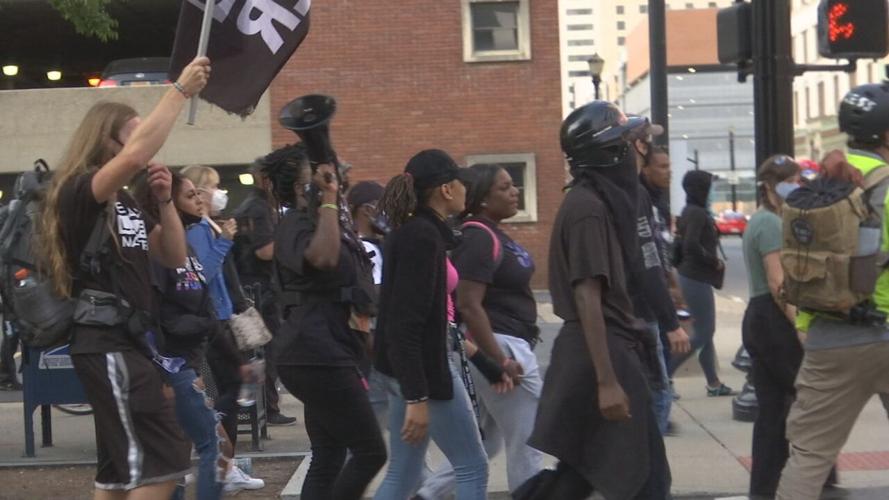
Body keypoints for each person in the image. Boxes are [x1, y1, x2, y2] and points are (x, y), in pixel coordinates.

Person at [39, 57, 208, 498]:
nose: (147, 140)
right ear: (106, 141)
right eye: (135, 131)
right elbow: (137, 154)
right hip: (106, 342)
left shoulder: (126, 204)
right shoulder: (81, 191)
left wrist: (166, 200)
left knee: (120, 471)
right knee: (164, 458)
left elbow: (172, 257)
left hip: (130, 343)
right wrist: (180, 91)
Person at [518, 102, 669, 500]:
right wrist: (607, 382)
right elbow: (588, 296)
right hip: (599, 355)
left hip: (605, 350)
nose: (637, 150)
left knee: (588, 472)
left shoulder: (598, 202)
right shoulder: (587, 209)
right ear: (611, 153)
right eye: (628, 142)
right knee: (642, 479)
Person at [776, 83, 889, 499]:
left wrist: (806, 322)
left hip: (830, 334)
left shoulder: (819, 184)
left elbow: (802, 257)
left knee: (809, 455)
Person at [263, 144, 387, 499]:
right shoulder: (295, 223)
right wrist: (330, 201)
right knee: (370, 452)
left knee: (329, 454)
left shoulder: (325, 221)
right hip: (314, 353)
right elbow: (323, 258)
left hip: (328, 349)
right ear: (305, 188)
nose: (336, 173)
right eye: (322, 174)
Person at [416, 163, 544, 498]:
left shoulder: (490, 232)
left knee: (485, 442)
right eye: (504, 187)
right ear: (484, 199)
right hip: (501, 345)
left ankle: (426, 495)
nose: (514, 191)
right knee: (527, 440)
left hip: (502, 345)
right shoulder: (479, 236)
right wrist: (498, 358)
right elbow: (470, 304)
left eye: (513, 185)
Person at [373, 150, 489, 500]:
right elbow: (405, 322)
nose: (466, 188)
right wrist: (417, 396)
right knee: (472, 466)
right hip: (424, 372)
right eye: (460, 181)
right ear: (445, 190)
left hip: (405, 371)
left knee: (404, 472)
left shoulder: (413, 231)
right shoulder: (422, 237)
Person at [133, 173, 230, 500]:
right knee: (213, 445)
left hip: (191, 359)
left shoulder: (185, 245)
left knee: (179, 449)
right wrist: (165, 374)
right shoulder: (158, 249)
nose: (201, 200)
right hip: (172, 365)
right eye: (190, 195)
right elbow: (154, 316)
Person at [179, 165, 265, 493]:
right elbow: (201, 273)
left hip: (220, 315)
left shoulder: (205, 225)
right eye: (213, 187)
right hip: (213, 319)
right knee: (231, 388)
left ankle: (219, 460)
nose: (220, 193)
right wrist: (225, 241)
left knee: (230, 387)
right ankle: (221, 462)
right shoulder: (200, 229)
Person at [741, 155, 805, 498]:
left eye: (797, 179)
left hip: (761, 318)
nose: (796, 186)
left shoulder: (768, 220)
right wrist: (800, 327)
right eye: (790, 180)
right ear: (770, 185)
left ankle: (765, 488)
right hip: (772, 319)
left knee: (773, 408)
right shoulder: (768, 224)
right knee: (801, 400)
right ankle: (805, 480)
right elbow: (777, 281)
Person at [630, 130, 691, 436]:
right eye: (662, 167)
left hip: (658, 301)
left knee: (661, 379)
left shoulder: (658, 202)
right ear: (645, 167)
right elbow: (648, 256)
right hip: (645, 308)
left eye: (669, 166)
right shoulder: (640, 199)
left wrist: (673, 283)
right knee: (658, 388)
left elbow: (662, 249)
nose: (668, 172)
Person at [231, 161, 297, 426]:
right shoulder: (258, 208)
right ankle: (268, 407)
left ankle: (268, 405)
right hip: (259, 289)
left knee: (270, 350)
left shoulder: (260, 206)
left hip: (261, 288)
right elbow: (264, 250)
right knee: (269, 350)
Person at [669, 170, 734, 396]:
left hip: (691, 277)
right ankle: (665, 375)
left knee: (705, 334)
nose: (712, 192)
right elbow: (690, 245)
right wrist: (712, 260)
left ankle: (713, 383)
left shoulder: (690, 211)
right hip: (695, 277)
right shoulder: (697, 213)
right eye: (710, 187)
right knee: (703, 332)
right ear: (700, 188)